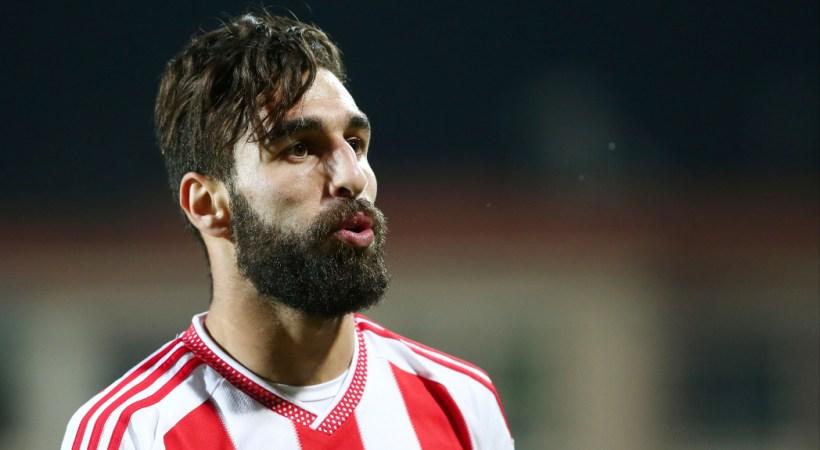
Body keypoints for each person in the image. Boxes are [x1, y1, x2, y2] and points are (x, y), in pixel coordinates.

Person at [62, 11, 513, 450]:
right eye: (299, 148)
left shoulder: (461, 403)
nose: (352, 177)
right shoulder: (135, 434)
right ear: (208, 204)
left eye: (355, 143)